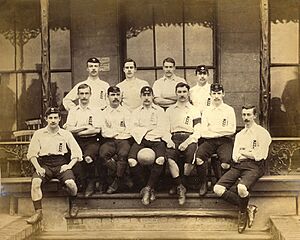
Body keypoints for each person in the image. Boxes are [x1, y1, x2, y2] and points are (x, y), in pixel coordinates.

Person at [213, 105, 272, 233]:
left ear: (254, 116)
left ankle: (242, 213)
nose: (246, 118)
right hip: (239, 166)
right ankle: (248, 207)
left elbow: (260, 155)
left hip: (255, 167)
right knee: (217, 189)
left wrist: (244, 152)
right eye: (244, 115)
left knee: (241, 188)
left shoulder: (262, 133)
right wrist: (248, 152)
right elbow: (235, 156)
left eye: (249, 115)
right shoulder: (239, 135)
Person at [26, 107, 82, 224]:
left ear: (60, 119)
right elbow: (32, 154)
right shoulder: (39, 134)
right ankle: (38, 212)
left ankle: (74, 203)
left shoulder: (66, 134)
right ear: (46, 119)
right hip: (45, 165)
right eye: (50, 118)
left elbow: (77, 153)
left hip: (61, 163)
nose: (53, 120)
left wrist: (69, 165)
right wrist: (38, 167)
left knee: (71, 184)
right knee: (36, 183)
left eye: (55, 118)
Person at [195, 83, 236, 196]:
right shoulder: (206, 110)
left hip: (225, 141)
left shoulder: (229, 110)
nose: (216, 96)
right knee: (199, 158)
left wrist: (213, 129)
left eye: (219, 93)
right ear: (210, 95)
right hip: (210, 141)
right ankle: (203, 183)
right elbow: (203, 132)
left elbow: (231, 130)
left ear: (223, 94)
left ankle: (222, 185)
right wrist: (221, 130)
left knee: (225, 164)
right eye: (214, 93)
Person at [128, 86, 167, 205]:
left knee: (160, 160)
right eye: (144, 95)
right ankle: (146, 188)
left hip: (156, 140)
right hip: (141, 141)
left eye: (149, 95)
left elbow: (163, 129)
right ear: (140, 97)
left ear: (152, 97)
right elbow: (133, 129)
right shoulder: (135, 112)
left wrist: (144, 130)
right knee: (131, 161)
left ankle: (148, 188)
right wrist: (148, 129)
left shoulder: (159, 111)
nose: (146, 98)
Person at [165, 82, 201, 205]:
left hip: (189, 137)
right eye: (179, 92)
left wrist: (187, 142)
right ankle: (180, 186)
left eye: (184, 92)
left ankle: (181, 184)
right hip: (174, 137)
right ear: (176, 94)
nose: (182, 94)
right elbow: (165, 129)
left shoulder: (194, 110)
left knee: (190, 156)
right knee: (170, 158)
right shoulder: (170, 110)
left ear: (188, 93)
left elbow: (198, 131)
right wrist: (169, 140)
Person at [64, 84, 102, 197]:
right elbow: (69, 129)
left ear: (90, 94)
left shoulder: (96, 110)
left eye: (86, 93)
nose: (84, 96)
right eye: (81, 94)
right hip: (77, 140)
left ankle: (91, 182)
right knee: (76, 158)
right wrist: (84, 127)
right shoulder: (74, 111)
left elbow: (97, 130)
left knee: (88, 158)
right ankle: (81, 183)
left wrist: (78, 130)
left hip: (92, 140)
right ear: (78, 95)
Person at [99, 86, 132, 194]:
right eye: (112, 95)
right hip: (109, 141)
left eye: (117, 95)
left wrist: (114, 131)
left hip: (123, 140)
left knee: (123, 154)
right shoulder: (103, 112)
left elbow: (129, 130)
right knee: (103, 155)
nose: (115, 97)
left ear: (121, 96)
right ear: (107, 97)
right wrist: (118, 131)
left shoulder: (126, 112)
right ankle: (124, 176)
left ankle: (117, 181)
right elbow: (104, 131)